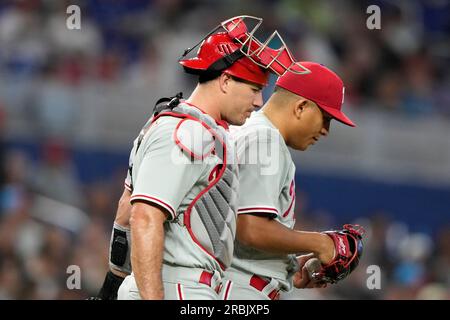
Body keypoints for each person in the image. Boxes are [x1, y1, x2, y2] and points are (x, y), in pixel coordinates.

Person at [94, 16, 306, 300]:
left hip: (177, 286)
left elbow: (125, 213)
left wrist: (110, 288)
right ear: (226, 80)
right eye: (255, 89)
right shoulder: (188, 132)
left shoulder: (190, 126)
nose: (258, 102)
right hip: (177, 287)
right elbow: (144, 217)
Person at [220, 61, 357, 300]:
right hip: (238, 290)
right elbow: (250, 228)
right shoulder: (266, 139)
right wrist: (321, 243)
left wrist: (288, 265)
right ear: (301, 107)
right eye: (326, 118)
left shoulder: (247, 130)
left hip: (232, 282)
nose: (326, 130)